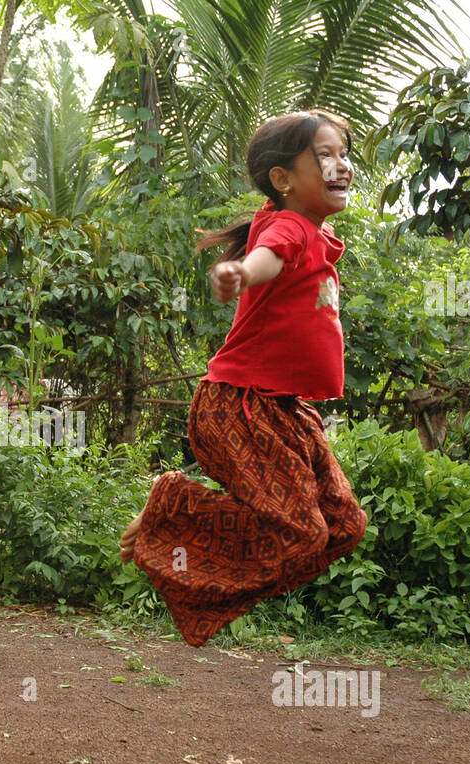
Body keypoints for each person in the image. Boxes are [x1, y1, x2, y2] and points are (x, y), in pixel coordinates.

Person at [120, 110, 369, 645]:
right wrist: (240, 272)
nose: (340, 164)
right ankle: (174, 504)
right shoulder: (289, 229)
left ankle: (182, 550)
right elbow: (268, 257)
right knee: (301, 533)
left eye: (342, 153)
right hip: (240, 405)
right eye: (323, 155)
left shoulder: (310, 231)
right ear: (283, 180)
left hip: (284, 409)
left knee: (343, 525)